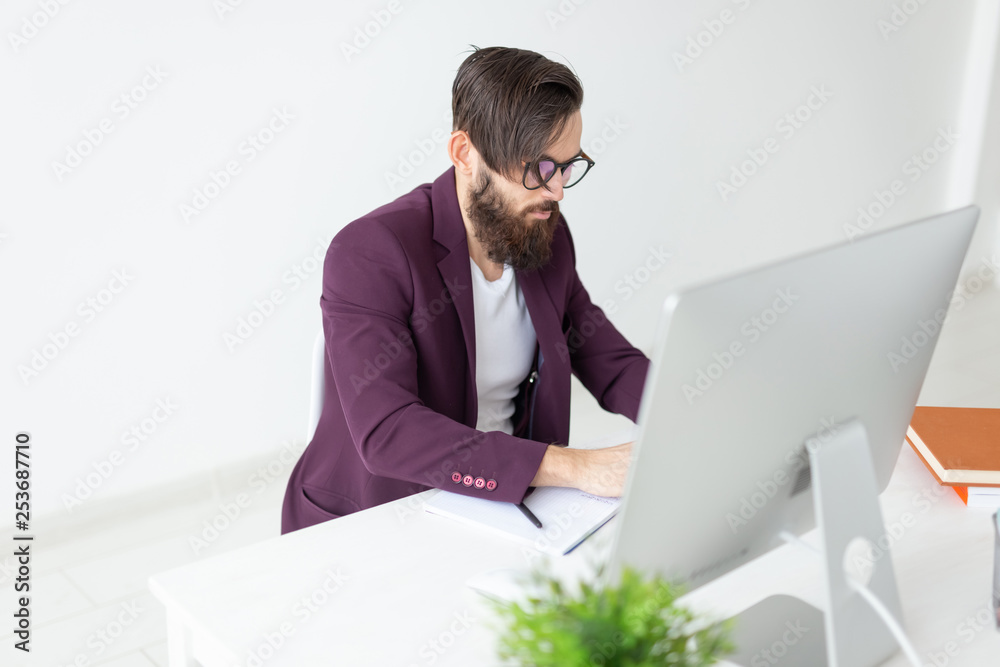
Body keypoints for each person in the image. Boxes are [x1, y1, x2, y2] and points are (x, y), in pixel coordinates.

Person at [281, 45, 650, 534]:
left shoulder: (545, 232)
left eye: (568, 165)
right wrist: (577, 466)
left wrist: (690, 411)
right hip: (380, 515)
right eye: (540, 168)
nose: (557, 190)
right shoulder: (370, 251)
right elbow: (389, 432)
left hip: (504, 503)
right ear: (464, 154)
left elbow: (608, 359)